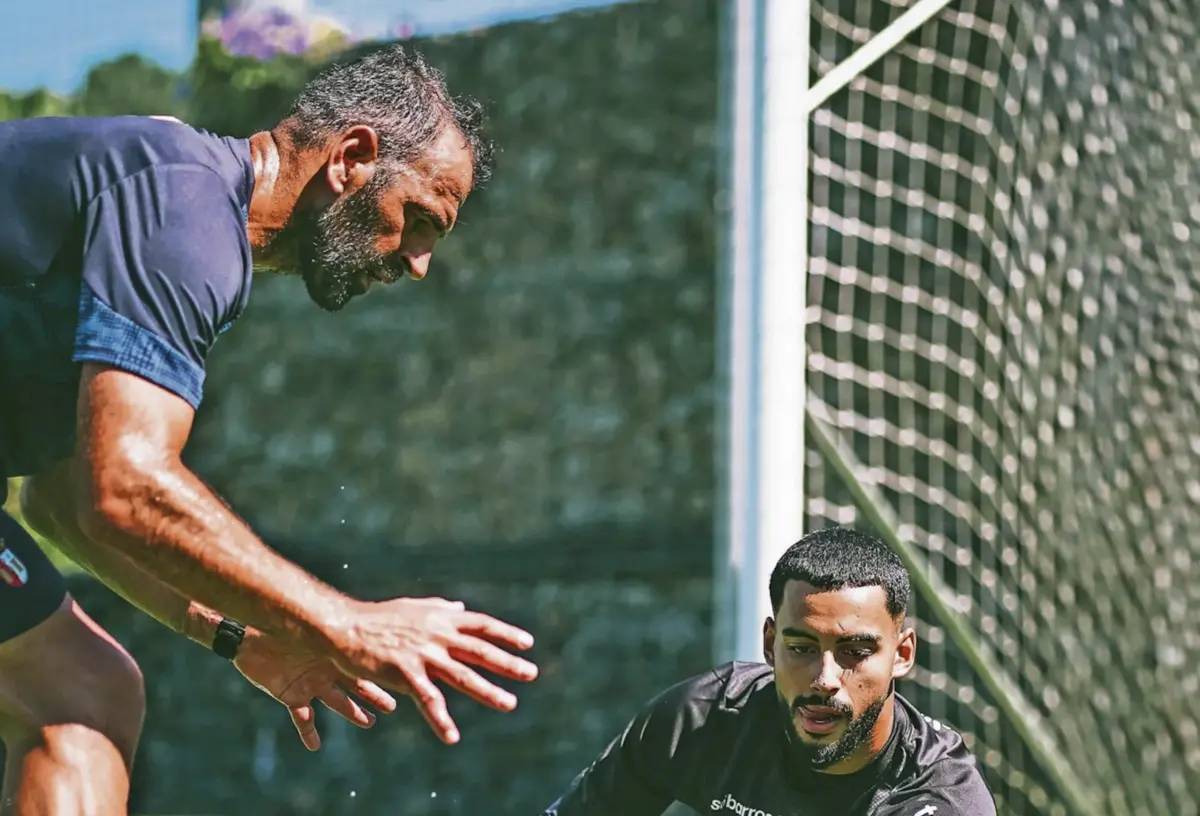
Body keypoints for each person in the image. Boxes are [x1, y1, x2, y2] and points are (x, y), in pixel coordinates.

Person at [0, 43, 539, 814]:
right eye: (419, 220)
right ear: (352, 157)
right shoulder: (187, 212)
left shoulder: (170, 209)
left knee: (82, 692)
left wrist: (241, 636)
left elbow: (65, 495)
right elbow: (126, 486)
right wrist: (347, 625)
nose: (419, 263)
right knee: (75, 698)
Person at [540, 526, 996, 816]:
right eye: (801, 647)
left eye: (855, 651)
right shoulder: (702, 720)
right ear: (770, 644)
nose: (824, 678)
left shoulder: (942, 799)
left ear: (902, 653)